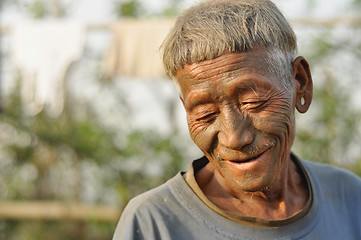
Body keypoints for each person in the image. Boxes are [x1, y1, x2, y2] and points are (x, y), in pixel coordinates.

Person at [113, 0, 361, 239]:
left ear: (300, 82)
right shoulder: (152, 224)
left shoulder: (349, 199)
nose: (234, 138)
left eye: (253, 102)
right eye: (205, 113)